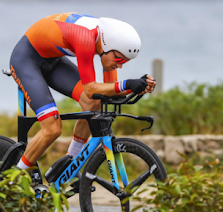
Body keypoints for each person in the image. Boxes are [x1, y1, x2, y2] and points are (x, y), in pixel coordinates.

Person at [9, 12, 156, 175]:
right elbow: (91, 89)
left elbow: (109, 89)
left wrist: (137, 85)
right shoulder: (85, 38)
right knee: (52, 128)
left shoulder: (105, 43)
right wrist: (127, 84)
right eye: (119, 60)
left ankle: (69, 167)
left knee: (94, 104)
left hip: (53, 60)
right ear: (109, 47)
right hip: (26, 61)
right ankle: (13, 180)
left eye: (125, 62)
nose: (120, 66)